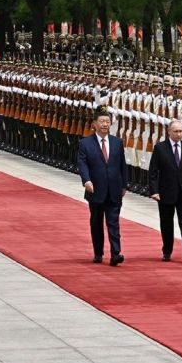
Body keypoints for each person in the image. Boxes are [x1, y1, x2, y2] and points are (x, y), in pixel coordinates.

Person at [78, 106, 128, 265]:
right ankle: (98, 252)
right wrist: (86, 180)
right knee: (96, 222)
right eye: (102, 121)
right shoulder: (85, 143)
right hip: (96, 189)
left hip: (114, 189)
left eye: (107, 121)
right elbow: (82, 163)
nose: (105, 124)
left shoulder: (117, 142)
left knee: (113, 222)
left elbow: (122, 165)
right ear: (94, 124)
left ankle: (116, 253)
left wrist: (124, 185)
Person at [148, 119, 182, 264]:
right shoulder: (160, 148)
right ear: (169, 132)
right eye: (176, 131)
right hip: (166, 192)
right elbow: (153, 171)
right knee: (166, 223)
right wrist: (154, 191)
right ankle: (167, 250)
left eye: (181, 131)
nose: (179, 134)